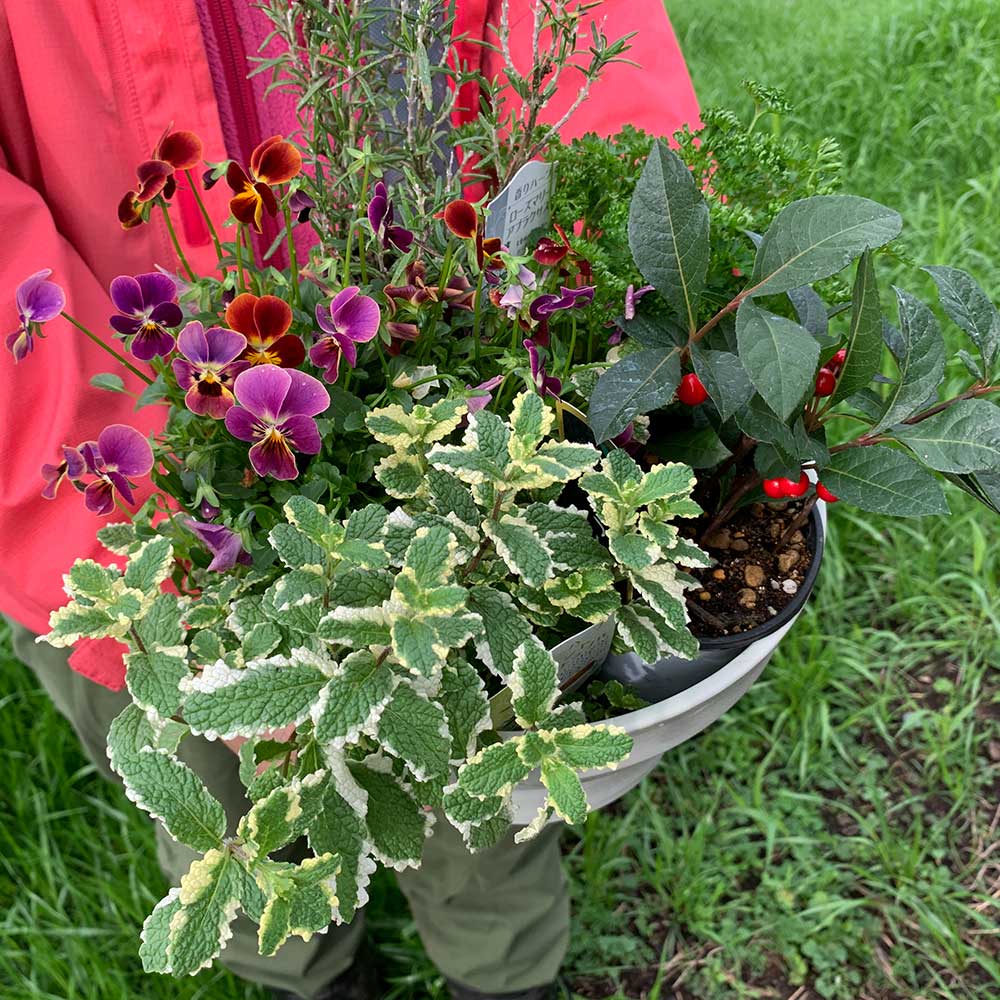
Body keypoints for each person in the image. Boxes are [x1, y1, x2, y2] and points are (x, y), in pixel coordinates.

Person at [0, 3, 699, 998]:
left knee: (478, 762)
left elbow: (593, 57)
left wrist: (621, 307)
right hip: (98, 468)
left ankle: (502, 966)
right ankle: (306, 970)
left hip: (439, 346)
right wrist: (131, 508)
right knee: (228, 799)